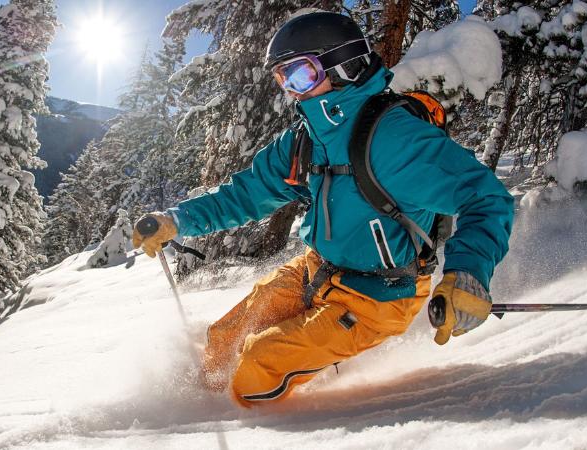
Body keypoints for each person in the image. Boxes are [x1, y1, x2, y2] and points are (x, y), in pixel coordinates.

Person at [132, 12, 513, 408]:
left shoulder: (395, 139)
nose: (291, 91)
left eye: (300, 75)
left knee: (256, 368)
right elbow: (246, 194)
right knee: (222, 343)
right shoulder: (307, 138)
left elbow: (486, 198)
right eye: (283, 79)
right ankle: (195, 410)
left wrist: (468, 273)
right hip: (315, 271)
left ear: (342, 65)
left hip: (379, 296)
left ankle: (250, 428)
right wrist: (177, 220)